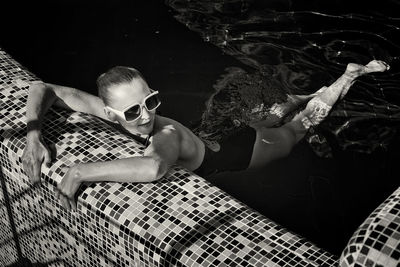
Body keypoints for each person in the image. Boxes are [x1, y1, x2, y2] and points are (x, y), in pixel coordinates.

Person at [22, 60, 389, 211]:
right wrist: (33, 135)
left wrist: (80, 171)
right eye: (133, 111)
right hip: (217, 138)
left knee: (301, 126)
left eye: (150, 101)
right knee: (274, 116)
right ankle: (312, 91)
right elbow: (44, 88)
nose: (146, 114)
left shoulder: (163, 132)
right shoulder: (107, 109)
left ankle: (350, 76)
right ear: (108, 113)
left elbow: (152, 168)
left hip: (245, 153)